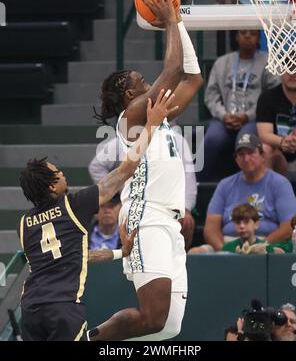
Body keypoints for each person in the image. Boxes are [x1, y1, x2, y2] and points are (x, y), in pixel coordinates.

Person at [88, 0, 202, 341]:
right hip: (145, 215)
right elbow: (173, 69)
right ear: (128, 93)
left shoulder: (159, 116)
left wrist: (179, 22)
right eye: (140, 80)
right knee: (152, 316)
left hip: (169, 220)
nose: (147, 80)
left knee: (169, 327)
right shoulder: (132, 115)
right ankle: (88, 339)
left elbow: (193, 78)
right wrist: (168, 20)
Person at [18, 90, 177, 341]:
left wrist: (119, 252)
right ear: (51, 186)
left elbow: (75, 256)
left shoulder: (24, 224)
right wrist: (152, 124)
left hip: (30, 309)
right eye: (57, 172)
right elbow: (125, 171)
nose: (63, 174)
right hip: (62, 308)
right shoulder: (74, 205)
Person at [88, 124, 197, 251]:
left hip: (166, 202)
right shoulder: (126, 139)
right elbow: (96, 167)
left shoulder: (176, 139)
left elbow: (188, 176)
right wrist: (118, 191)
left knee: (187, 222)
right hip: (134, 201)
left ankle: (176, 259)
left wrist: (186, 208)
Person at [190, 133, 296, 253]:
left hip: (267, 244)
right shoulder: (225, 185)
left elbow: (289, 227)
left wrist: (258, 246)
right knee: (195, 252)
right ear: (236, 159)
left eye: (251, 153)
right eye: (241, 155)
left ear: (262, 155)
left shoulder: (280, 183)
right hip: (229, 244)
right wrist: (225, 250)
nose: (246, 159)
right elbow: (210, 229)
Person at [199, 30, 280, 181]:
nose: (247, 36)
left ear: (258, 37)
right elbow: (211, 96)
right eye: (243, 33)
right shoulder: (222, 62)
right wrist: (223, 115)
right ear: (236, 37)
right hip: (224, 117)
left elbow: (271, 97)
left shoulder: (268, 62)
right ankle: (198, 184)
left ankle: (245, 183)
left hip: (253, 118)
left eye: (252, 34)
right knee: (211, 140)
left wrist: (248, 115)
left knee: (245, 142)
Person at [256, 69, 296, 182]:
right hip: (278, 156)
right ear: (281, 72)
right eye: (288, 69)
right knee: (265, 149)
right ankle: (266, 197)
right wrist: (283, 141)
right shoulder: (268, 97)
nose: (292, 74)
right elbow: (264, 134)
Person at [222, 203, 293, 254]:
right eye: (238, 222)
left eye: (246, 222)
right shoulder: (227, 247)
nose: (242, 226)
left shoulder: (267, 248)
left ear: (256, 224)